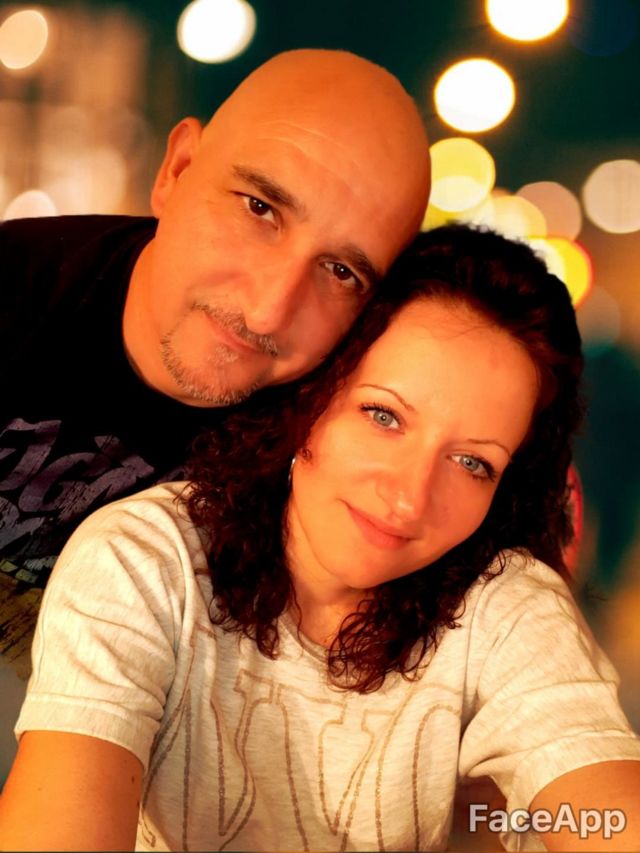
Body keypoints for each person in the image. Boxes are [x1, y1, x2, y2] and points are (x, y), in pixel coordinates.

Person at [1, 224, 638, 852]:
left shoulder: (503, 607)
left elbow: (605, 814)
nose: (410, 499)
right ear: (314, 396)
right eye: (383, 416)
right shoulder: (147, 560)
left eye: (473, 462)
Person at [0, 48, 430, 677]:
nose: (268, 311)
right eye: (260, 209)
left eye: (341, 271)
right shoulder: (12, 285)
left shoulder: (337, 449)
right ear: (176, 171)